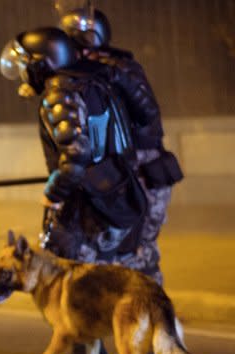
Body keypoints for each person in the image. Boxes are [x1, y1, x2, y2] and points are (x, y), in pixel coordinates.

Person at [0, 27, 148, 354]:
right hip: (111, 197)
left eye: (26, 66)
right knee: (100, 282)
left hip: (83, 204)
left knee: (69, 288)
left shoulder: (58, 93)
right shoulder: (91, 82)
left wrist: (54, 192)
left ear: (42, 65)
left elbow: (76, 153)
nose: (23, 75)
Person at [57, 6, 183, 285]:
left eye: (75, 42)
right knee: (118, 253)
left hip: (145, 170)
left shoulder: (120, 69)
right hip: (126, 172)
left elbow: (148, 114)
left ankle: (156, 314)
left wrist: (112, 74)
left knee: (140, 251)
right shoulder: (96, 72)